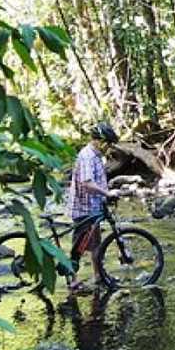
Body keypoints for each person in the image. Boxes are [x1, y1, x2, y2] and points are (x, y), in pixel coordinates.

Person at [66, 122, 119, 291]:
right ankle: (72, 281)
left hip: (92, 207)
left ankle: (98, 276)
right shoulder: (88, 156)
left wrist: (104, 196)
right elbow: (87, 183)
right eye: (108, 143)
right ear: (100, 141)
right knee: (78, 247)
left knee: (96, 244)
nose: (109, 147)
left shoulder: (95, 156)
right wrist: (107, 193)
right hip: (83, 208)